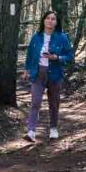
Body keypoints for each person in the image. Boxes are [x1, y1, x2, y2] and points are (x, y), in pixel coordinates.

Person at [21, 10, 73, 142]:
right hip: (38, 73)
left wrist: (57, 57)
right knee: (35, 102)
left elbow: (70, 56)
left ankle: (53, 129)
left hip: (55, 74)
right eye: (48, 18)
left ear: (56, 22)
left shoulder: (62, 37)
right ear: (43, 20)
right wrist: (26, 70)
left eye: (53, 19)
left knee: (54, 103)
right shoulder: (36, 37)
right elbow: (30, 54)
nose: (50, 21)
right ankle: (31, 131)